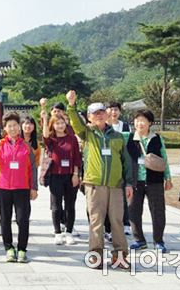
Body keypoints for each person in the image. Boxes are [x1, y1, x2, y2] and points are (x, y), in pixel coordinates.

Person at [66, 90, 133, 270]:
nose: (99, 115)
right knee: (96, 221)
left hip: (116, 186)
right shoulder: (87, 133)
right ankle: (96, 255)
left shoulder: (118, 137)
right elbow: (74, 122)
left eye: (102, 112)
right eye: (95, 113)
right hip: (94, 185)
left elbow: (126, 161)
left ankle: (120, 256)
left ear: (106, 114)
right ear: (89, 117)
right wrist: (71, 105)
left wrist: (129, 183)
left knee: (117, 221)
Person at [0, 112, 38, 263]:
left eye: (15, 125)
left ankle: (22, 249)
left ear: (19, 127)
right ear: (5, 128)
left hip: (22, 188)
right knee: (5, 219)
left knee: (23, 219)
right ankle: (9, 248)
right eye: (9, 126)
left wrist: (34, 187)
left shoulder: (26, 146)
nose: (13, 128)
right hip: (3, 187)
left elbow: (32, 168)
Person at [126, 109, 173, 253]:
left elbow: (163, 158)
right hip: (135, 181)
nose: (139, 123)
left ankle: (159, 241)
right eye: (137, 120)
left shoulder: (157, 138)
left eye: (143, 120)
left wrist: (168, 178)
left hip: (154, 181)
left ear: (150, 123)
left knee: (158, 211)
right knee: (133, 211)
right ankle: (139, 240)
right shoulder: (129, 138)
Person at [41, 111, 82, 246]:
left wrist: (76, 174)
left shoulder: (72, 139)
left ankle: (69, 232)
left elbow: (77, 157)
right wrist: (45, 118)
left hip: (70, 175)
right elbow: (45, 135)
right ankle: (58, 232)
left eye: (62, 123)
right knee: (56, 206)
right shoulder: (51, 140)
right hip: (55, 175)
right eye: (57, 123)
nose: (60, 126)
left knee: (70, 205)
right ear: (53, 125)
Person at [105, 101, 132, 241]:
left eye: (116, 110)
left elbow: (130, 144)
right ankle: (107, 227)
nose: (113, 112)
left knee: (123, 195)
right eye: (111, 109)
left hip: (122, 161)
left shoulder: (125, 126)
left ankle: (126, 223)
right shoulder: (103, 125)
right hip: (108, 164)